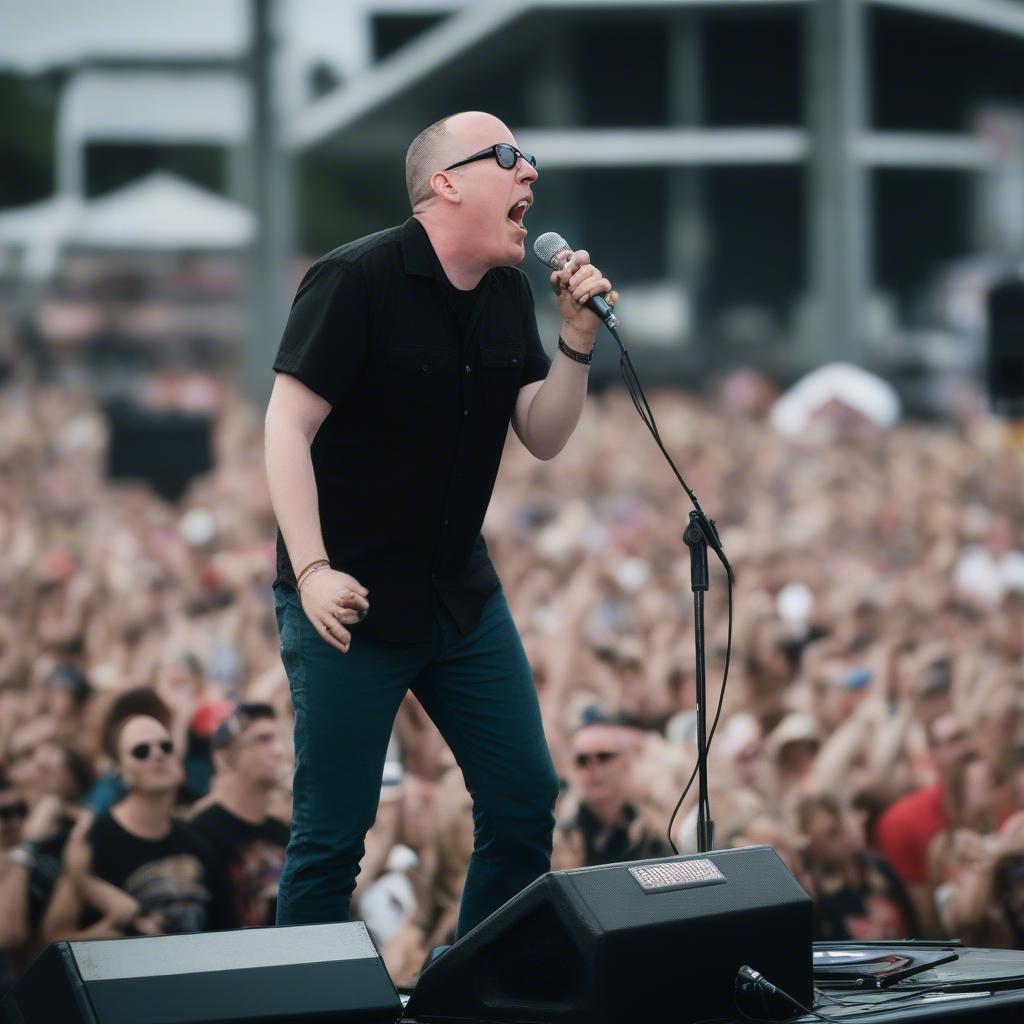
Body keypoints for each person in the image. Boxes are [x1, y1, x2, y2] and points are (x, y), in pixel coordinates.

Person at [264, 110, 615, 936]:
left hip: (459, 597)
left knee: (525, 802)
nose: (530, 173)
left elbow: (543, 433)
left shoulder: (504, 290)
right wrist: (311, 572)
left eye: (530, 158)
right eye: (509, 157)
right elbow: (285, 427)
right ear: (445, 184)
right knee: (331, 843)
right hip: (347, 603)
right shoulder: (354, 280)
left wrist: (575, 343)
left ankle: (470, 992)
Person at [44, 715, 232, 940]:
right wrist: (106, 937)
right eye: (141, 751)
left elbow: (224, 934)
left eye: (166, 746)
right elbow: (54, 936)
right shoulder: (94, 838)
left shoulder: (197, 842)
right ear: (120, 770)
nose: (158, 754)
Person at [189, 703, 290, 927]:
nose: (280, 751)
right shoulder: (198, 835)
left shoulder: (284, 833)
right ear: (224, 758)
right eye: (263, 740)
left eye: (279, 739)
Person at [552, 712, 670, 868]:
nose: (593, 768)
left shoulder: (653, 831)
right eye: (582, 760)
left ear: (626, 763)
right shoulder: (558, 837)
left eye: (604, 757)